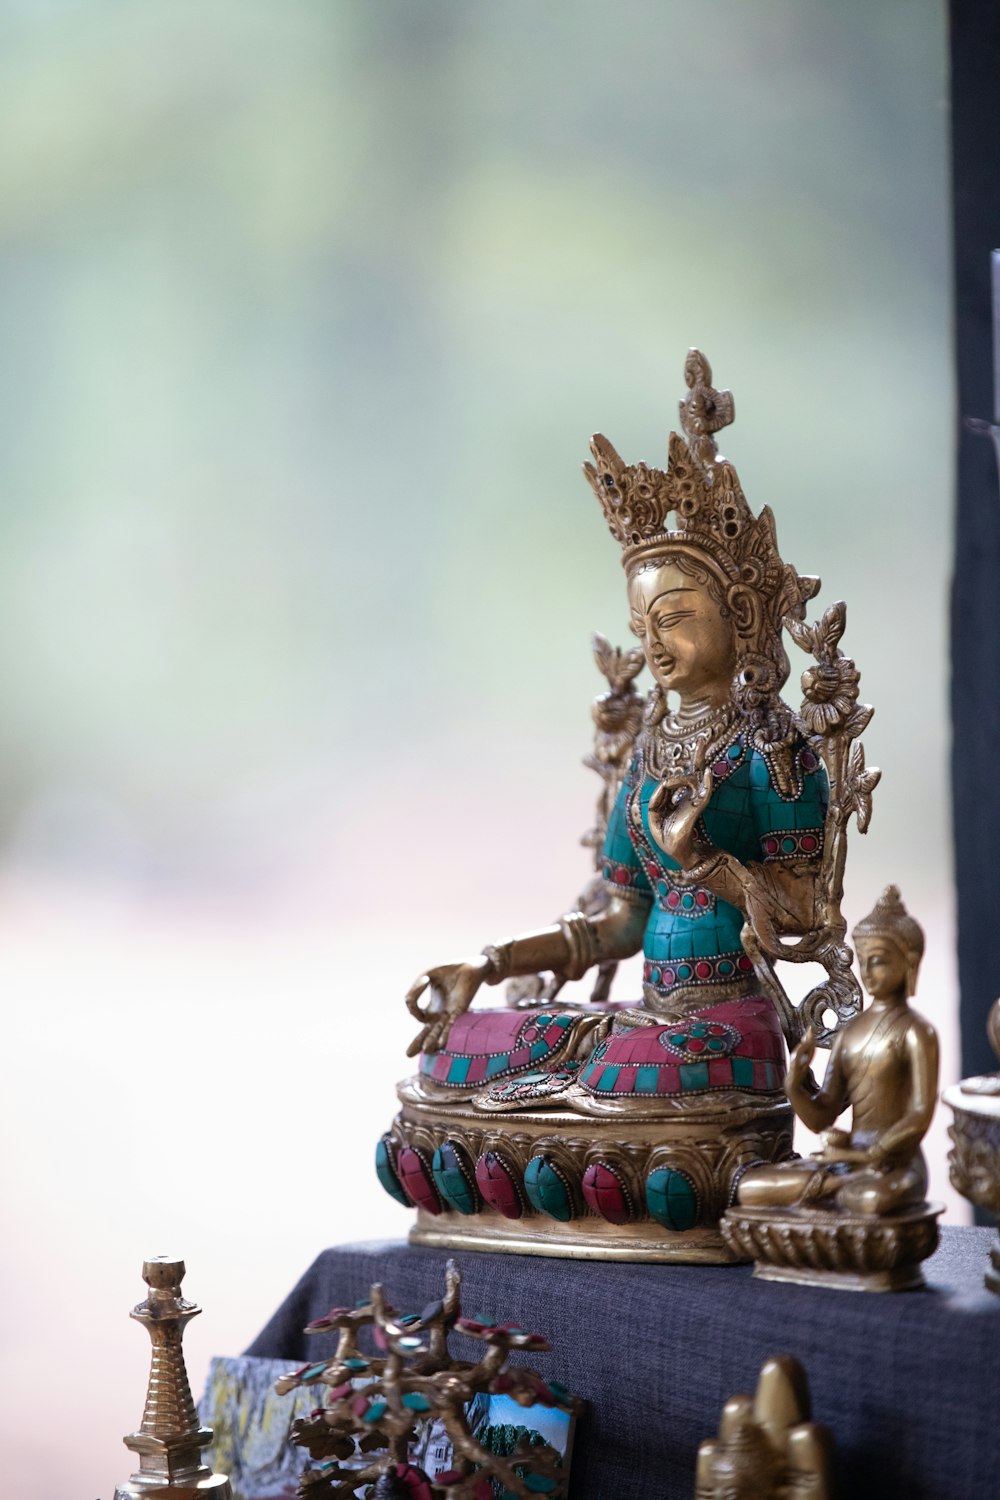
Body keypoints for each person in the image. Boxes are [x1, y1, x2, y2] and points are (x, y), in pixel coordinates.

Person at [737, 885, 938, 1216]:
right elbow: (822, 1116)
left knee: (871, 1200)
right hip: (847, 1163)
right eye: (864, 961)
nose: (869, 971)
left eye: (881, 961)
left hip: (894, 1166)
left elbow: (919, 1115)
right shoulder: (852, 1034)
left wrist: (875, 1154)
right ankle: (830, 1195)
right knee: (750, 1189)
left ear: (909, 964)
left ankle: (827, 1200)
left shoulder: (917, 1032)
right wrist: (795, 1083)